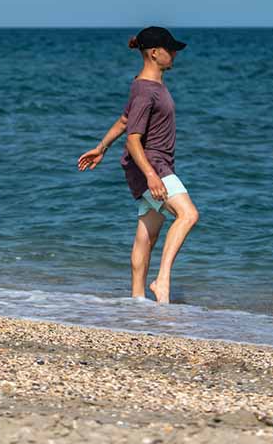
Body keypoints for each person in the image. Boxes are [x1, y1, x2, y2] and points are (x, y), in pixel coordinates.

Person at [77, 26, 199, 304]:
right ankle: (162, 281)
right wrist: (152, 177)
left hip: (153, 165)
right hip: (152, 165)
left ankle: (136, 301)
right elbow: (133, 139)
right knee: (188, 215)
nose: (175, 54)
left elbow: (124, 120)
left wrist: (101, 147)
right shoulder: (146, 90)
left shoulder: (145, 86)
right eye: (170, 50)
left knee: (148, 232)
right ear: (155, 53)